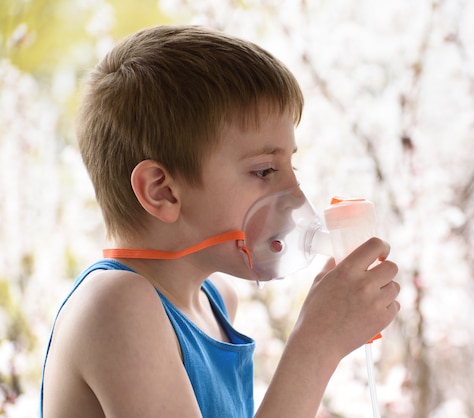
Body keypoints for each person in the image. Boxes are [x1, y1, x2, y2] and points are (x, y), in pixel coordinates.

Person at [40, 24, 400, 418]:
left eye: (290, 165)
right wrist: (317, 343)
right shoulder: (115, 304)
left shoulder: (217, 300)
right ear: (162, 191)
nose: (296, 194)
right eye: (264, 171)